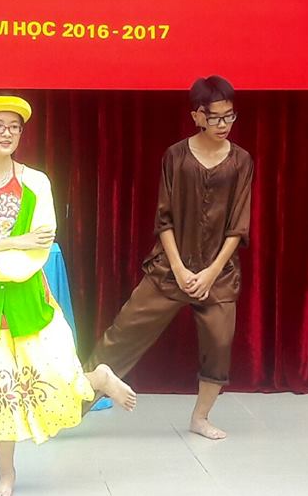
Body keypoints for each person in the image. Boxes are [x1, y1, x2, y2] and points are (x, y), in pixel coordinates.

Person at [0, 95, 138, 496]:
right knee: (0, 391)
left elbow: (40, 246)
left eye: (14, 127)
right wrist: (12, 241)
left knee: (53, 380)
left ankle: (98, 378)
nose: (7, 133)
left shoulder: (36, 182)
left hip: (30, 300)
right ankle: (6, 474)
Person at [89, 75, 253, 439]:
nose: (223, 124)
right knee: (122, 334)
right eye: (215, 117)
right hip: (168, 268)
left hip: (219, 274)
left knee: (219, 343)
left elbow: (238, 227)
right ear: (196, 116)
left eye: (229, 116)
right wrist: (179, 269)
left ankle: (200, 417)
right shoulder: (175, 156)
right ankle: (68, 405)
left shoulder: (241, 161)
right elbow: (163, 219)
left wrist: (211, 272)